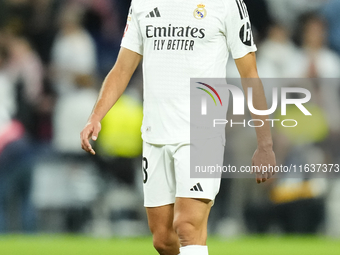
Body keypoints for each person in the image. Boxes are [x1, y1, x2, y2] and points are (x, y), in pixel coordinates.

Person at [80, 1, 276, 254]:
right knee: (162, 238)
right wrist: (95, 116)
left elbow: (250, 74)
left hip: (202, 133)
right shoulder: (142, 4)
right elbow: (122, 69)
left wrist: (265, 144)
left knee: (187, 226)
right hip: (155, 133)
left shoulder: (227, 4)